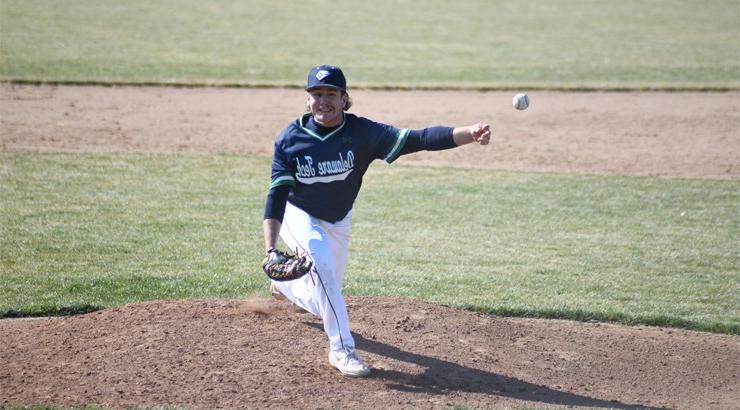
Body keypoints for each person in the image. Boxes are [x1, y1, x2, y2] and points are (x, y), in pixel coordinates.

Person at [262, 64, 490, 377]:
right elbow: (276, 196)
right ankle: (342, 350)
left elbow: (418, 138)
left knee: (325, 296)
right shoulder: (290, 140)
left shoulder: (363, 133)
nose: (323, 100)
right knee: (323, 270)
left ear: (344, 98)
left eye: (331, 93)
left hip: (338, 220)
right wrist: (271, 248)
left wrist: (467, 133)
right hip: (298, 214)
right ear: (307, 99)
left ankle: (285, 287)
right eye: (317, 94)